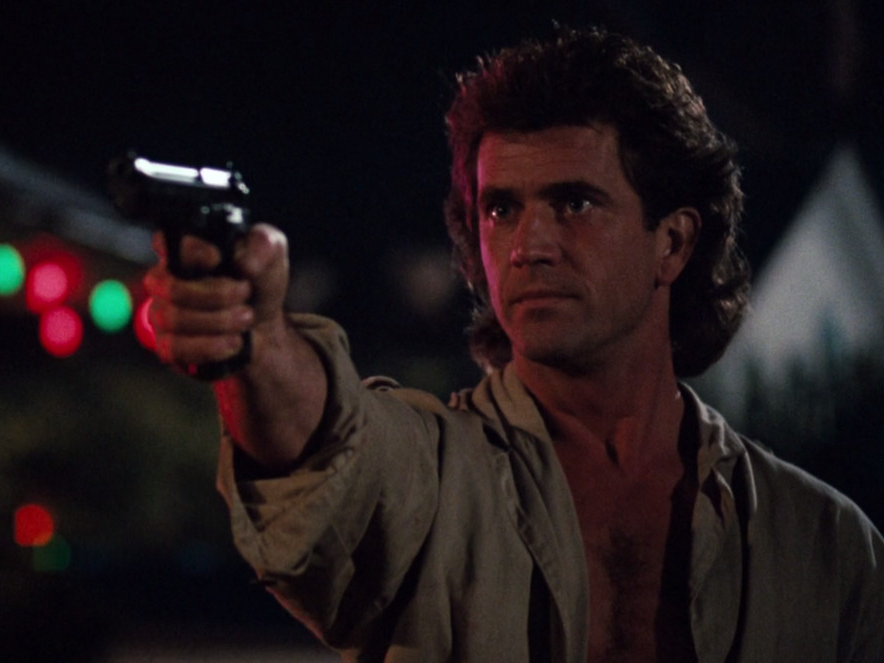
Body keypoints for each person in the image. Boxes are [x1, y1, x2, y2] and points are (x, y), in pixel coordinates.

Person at [142, 26, 883, 662]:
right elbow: (328, 446)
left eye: (574, 202)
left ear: (673, 242)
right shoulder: (435, 479)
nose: (529, 245)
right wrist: (257, 343)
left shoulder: (826, 547)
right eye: (501, 209)